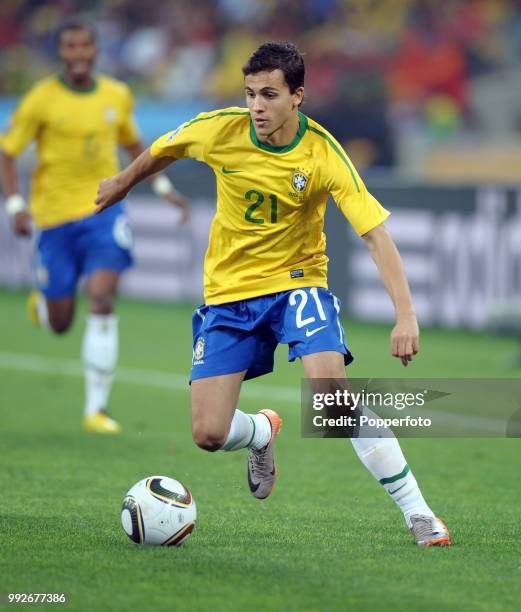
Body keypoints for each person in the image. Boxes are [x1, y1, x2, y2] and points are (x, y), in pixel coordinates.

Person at [95, 42, 451, 546]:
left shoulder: (324, 153)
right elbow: (163, 149)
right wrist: (123, 183)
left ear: (297, 96)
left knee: (332, 401)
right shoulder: (220, 129)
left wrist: (406, 315)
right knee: (208, 435)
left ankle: (419, 512)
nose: (256, 106)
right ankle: (261, 432)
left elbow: (375, 235)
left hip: (297, 283)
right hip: (229, 294)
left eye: (268, 94)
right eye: (249, 94)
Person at [0, 18, 188, 434]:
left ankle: (96, 409)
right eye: (70, 47)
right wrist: (15, 204)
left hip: (105, 211)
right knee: (62, 322)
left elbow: (135, 147)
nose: (79, 54)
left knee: (103, 297)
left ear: (96, 51)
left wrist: (162, 188)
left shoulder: (116, 95)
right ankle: (45, 304)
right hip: (53, 218)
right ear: (61, 53)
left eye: (86, 46)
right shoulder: (41, 99)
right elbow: (8, 152)